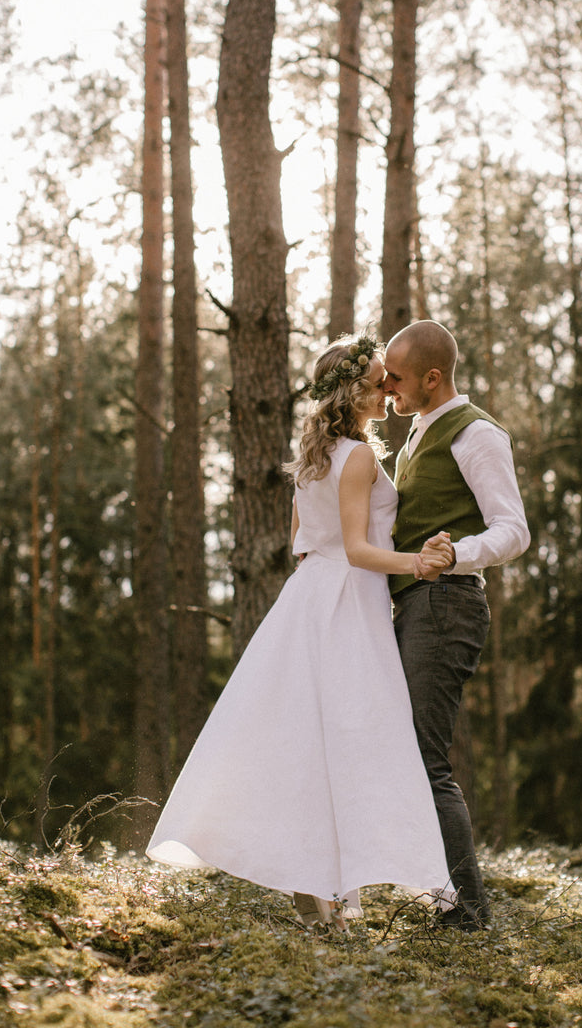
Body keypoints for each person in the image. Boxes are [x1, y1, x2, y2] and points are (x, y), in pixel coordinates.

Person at [147, 334, 453, 930]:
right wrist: (418, 561)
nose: (388, 386)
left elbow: (299, 541)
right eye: (377, 378)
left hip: (308, 599)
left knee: (308, 745)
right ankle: (334, 888)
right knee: (357, 739)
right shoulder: (360, 456)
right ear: (356, 391)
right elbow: (361, 550)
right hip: (346, 606)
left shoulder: (316, 454)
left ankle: (318, 890)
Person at [383, 320, 530, 932]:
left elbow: (513, 530)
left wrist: (456, 554)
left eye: (395, 376)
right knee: (408, 752)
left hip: (447, 605)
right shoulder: (418, 432)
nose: (385, 385)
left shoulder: (476, 435)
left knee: (426, 758)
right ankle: (443, 897)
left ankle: (466, 912)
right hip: (418, 604)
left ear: (431, 377)